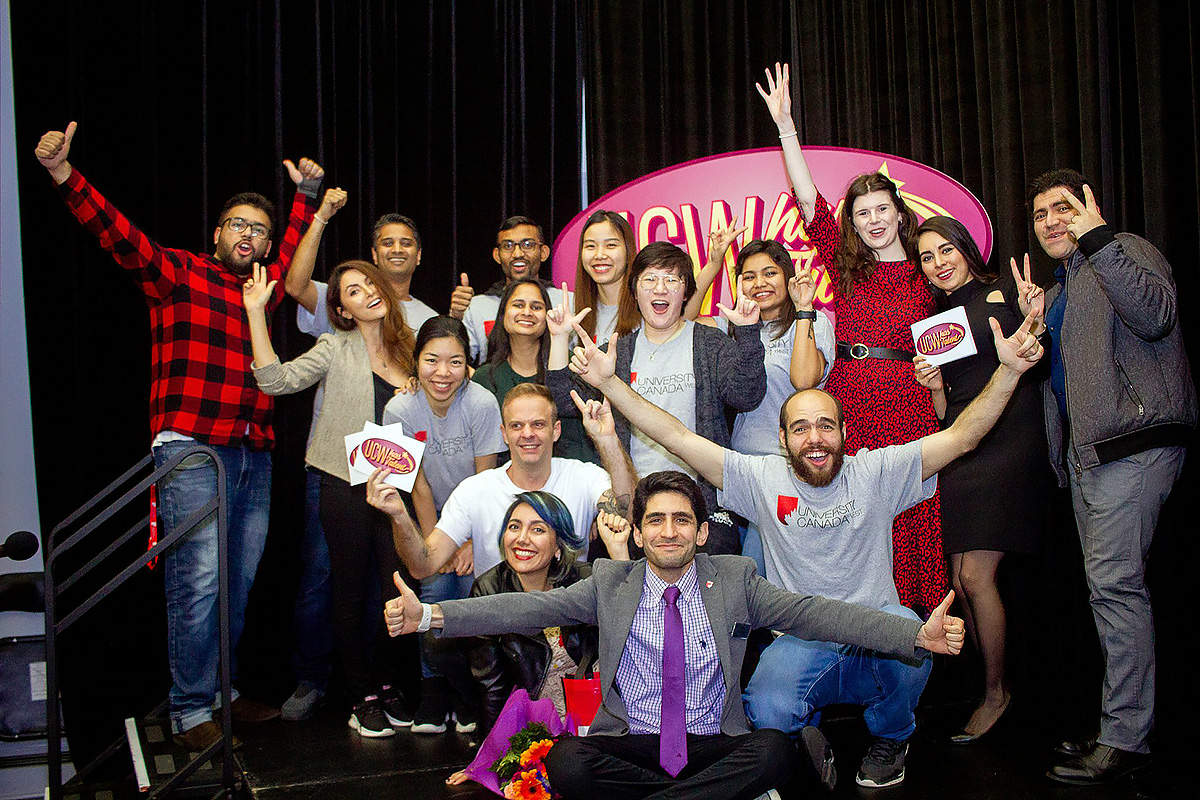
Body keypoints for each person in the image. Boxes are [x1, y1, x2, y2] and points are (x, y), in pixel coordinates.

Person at [564, 304, 1044, 788]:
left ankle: (892, 736)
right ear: (783, 438)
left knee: (913, 642)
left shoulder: (878, 470)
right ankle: (805, 741)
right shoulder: (760, 478)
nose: (815, 438)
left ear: (843, 432)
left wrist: (1009, 371)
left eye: (825, 425)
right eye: (800, 428)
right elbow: (676, 435)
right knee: (766, 709)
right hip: (802, 638)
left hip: (874, 629)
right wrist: (609, 383)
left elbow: (962, 437)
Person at [385, 471, 967, 800]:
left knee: (772, 750)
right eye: (656, 520)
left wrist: (914, 634)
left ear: (701, 532)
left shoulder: (735, 578)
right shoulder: (608, 584)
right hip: (634, 741)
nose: (669, 531)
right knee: (567, 762)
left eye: (682, 519)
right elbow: (520, 608)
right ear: (637, 534)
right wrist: (430, 617)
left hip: (709, 739)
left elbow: (817, 614)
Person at [34, 122, 323, 750]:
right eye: (238, 225)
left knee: (237, 584)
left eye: (260, 230)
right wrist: (63, 174)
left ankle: (221, 693)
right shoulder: (178, 274)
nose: (250, 236)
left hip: (253, 453)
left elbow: (291, 251)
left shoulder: (262, 293)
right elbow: (118, 234)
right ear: (217, 234)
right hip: (191, 449)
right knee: (198, 581)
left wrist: (306, 196)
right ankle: (191, 711)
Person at [1019, 170, 1196, 785]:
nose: (1051, 221)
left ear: (1091, 208)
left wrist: (1100, 240)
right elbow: (1063, 381)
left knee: (1116, 588)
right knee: (1107, 590)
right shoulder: (1062, 288)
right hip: (1090, 456)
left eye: (1063, 208)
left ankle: (1127, 740)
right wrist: (1038, 326)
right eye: (1040, 214)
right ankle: (1119, 726)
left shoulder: (1124, 249)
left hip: (1135, 445)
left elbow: (1155, 315)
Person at [758, 63, 943, 612]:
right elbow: (808, 199)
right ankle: (857, 624)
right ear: (853, 224)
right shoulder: (845, 268)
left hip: (910, 402)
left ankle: (915, 633)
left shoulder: (928, 271)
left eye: (882, 208)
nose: (874, 220)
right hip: (853, 403)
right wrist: (787, 128)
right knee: (856, 516)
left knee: (911, 514)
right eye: (863, 213)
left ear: (899, 213)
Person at [246, 258, 421, 739]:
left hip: (398, 487)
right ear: (342, 310)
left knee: (395, 590)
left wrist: (422, 387)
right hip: (343, 482)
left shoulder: (410, 350)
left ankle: (387, 683)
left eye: (369, 283)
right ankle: (360, 695)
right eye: (353, 291)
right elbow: (275, 381)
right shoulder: (333, 346)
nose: (367, 292)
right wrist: (256, 312)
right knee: (347, 591)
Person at [910, 217, 1049, 744]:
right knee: (960, 577)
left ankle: (996, 693)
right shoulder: (933, 321)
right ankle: (990, 686)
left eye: (946, 249)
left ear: (966, 249)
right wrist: (932, 386)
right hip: (963, 445)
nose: (938, 262)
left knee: (975, 575)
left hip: (1010, 439)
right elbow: (946, 410)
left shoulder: (1006, 292)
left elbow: (1038, 363)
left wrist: (1035, 321)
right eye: (927, 256)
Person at [547, 241, 768, 553]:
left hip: (703, 507)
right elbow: (563, 400)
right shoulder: (617, 353)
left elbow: (747, 396)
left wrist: (747, 333)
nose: (660, 288)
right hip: (636, 507)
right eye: (649, 279)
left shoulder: (708, 343)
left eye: (672, 279)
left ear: (686, 292)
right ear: (635, 291)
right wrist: (558, 338)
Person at [367, 383, 636, 583]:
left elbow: (626, 512)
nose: (527, 434)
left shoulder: (583, 476)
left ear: (556, 430)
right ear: (504, 434)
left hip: (569, 622)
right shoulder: (475, 490)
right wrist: (400, 516)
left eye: (538, 424)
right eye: (517, 426)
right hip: (497, 627)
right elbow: (423, 565)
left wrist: (608, 440)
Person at [382, 315, 505, 734]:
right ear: (416, 361)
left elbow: (485, 480)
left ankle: (470, 693)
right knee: (433, 590)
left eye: (455, 362)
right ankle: (433, 690)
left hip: (478, 519)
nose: (442, 372)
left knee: (470, 598)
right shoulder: (399, 408)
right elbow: (418, 487)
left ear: (467, 364)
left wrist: (467, 541)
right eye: (432, 360)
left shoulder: (482, 403)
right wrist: (437, 545)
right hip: (431, 518)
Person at [445, 491, 612, 787]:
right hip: (535, 728)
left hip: (596, 718)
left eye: (537, 529)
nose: (522, 539)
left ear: (559, 545)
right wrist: (488, 760)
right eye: (514, 527)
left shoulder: (585, 581)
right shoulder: (489, 589)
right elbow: (491, 685)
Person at [472, 279, 594, 463]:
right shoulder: (485, 378)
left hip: (575, 472)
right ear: (503, 314)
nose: (527, 312)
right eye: (518, 305)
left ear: (547, 316)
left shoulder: (574, 364)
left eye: (536, 307)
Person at [454, 215, 568, 364]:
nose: (517, 254)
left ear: (544, 252)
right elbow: (458, 361)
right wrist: (455, 318)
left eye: (528, 245)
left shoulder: (566, 302)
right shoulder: (477, 307)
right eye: (508, 246)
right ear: (497, 255)